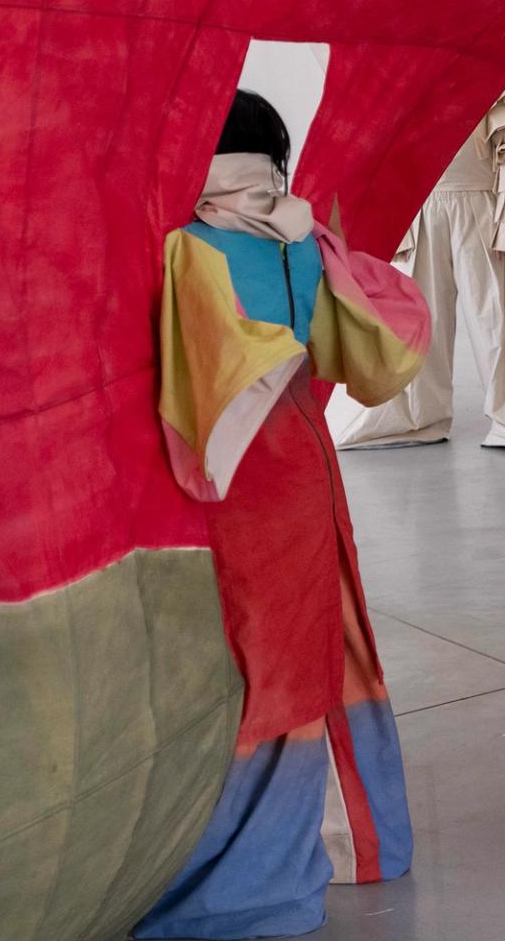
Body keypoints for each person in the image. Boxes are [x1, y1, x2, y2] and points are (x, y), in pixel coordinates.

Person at [138, 91, 429, 939]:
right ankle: (320, 844)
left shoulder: (190, 246)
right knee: (306, 656)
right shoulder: (303, 232)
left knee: (246, 673)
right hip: (304, 462)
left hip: (233, 481)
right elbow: (364, 345)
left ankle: (241, 881)